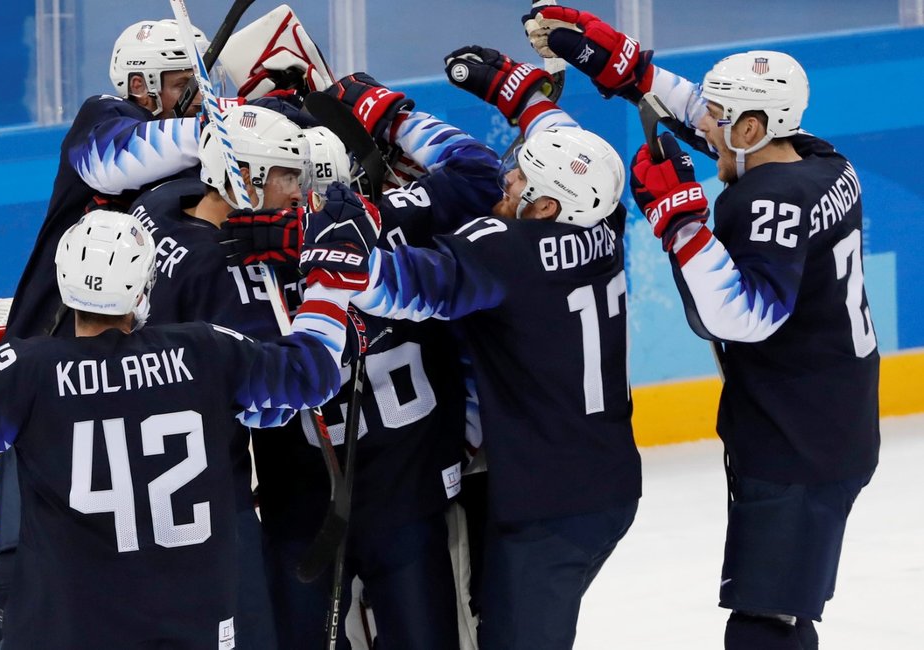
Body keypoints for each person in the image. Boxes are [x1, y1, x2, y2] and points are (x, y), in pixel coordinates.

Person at [525, 6, 881, 649]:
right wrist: (632, 72)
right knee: (780, 610)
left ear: (751, 126)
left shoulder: (761, 200)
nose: (704, 124)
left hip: (796, 436)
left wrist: (678, 221)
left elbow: (743, 318)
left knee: (765, 620)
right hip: (828, 421)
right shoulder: (821, 160)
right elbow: (709, 119)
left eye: (720, 117)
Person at [0, 202, 380, 648]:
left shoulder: (26, 370)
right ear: (144, 285)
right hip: (194, 630)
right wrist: (328, 284)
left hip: (70, 632)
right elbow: (310, 375)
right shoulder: (205, 350)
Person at [348, 47, 642, 650]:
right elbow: (565, 137)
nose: (505, 179)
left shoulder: (505, 253)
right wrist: (529, 102)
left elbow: (394, 287)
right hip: (602, 483)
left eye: (521, 179)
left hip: (549, 508)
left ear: (547, 206)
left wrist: (325, 239)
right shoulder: (604, 222)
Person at [0, 19, 214, 649]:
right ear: (143, 84)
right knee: (15, 575)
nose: (196, 98)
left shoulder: (192, 166)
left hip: (120, 388)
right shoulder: (104, 119)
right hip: (42, 384)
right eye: (183, 85)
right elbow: (115, 159)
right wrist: (215, 132)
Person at [219, 79, 500, 649]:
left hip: (305, 503)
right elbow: (477, 170)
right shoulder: (395, 218)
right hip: (406, 493)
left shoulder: (239, 263)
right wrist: (392, 116)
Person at [129, 103, 316, 649]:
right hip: (202, 493)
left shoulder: (158, 205)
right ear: (246, 180)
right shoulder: (220, 270)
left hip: (130, 481)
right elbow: (275, 395)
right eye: (287, 176)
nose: (299, 192)